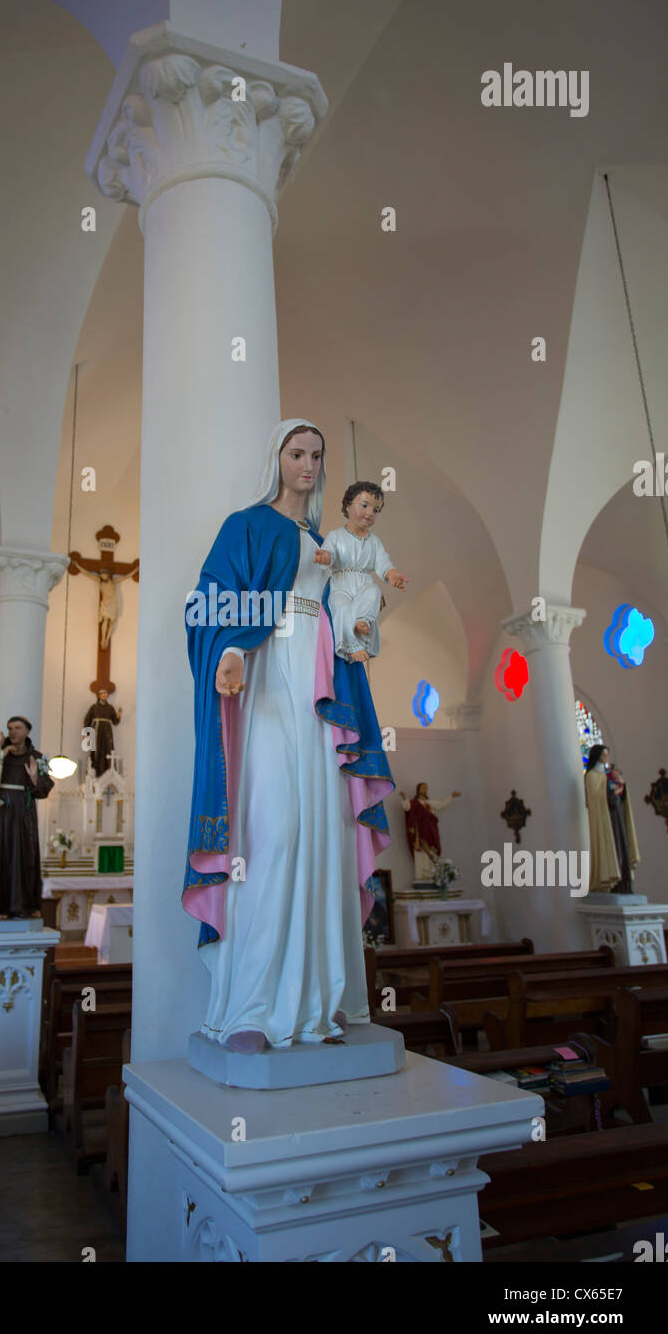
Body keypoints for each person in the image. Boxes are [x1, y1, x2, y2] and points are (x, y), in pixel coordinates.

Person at [183, 419, 395, 1054]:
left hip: (324, 693)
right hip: (271, 677)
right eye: (296, 453)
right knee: (271, 831)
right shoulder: (246, 524)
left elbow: (347, 602)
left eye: (316, 455)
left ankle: (320, 1004)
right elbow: (208, 602)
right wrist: (230, 652)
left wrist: (362, 623)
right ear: (276, 459)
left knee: (323, 835)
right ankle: (252, 1006)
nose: (307, 464)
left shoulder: (329, 538)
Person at [315, 482, 408, 661]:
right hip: (341, 584)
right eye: (364, 506)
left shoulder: (374, 542)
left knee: (374, 592)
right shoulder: (336, 535)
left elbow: (383, 562)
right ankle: (351, 645)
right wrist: (325, 557)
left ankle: (362, 621)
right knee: (341, 607)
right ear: (348, 505)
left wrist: (391, 574)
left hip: (364, 583)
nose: (369, 513)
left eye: (376, 510)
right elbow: (331, 553)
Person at [0, 716, 54, 919]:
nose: (13, 732)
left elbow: (46, 788)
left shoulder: (39, 757)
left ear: (28, 731)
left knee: (26, 856)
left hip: (24, 813)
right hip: (1, 812)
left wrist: (35, 779)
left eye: (17, 728)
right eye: (10, 728)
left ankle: (28, 905)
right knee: (0, 854)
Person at [585, 744, 640, 892]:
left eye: (606, 755)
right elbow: (596, 798)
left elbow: (617, 795)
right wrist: (611, 788)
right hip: (605, 820)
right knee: (613, 845)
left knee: (622, 847)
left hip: (616, 816)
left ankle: (624, 884)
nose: (605, 758)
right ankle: (608, 881)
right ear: (597, 756)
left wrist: (621, 787)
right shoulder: (592, 776)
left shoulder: (605, 775)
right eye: (603, 755)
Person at [399, 783, 461, 881]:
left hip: (430, 832)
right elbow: (407, 807)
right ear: (418, 789)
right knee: (420, 854)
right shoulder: (414, 803)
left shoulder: (430, 803)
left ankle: (432, 875)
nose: (425, 790)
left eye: (426, 788)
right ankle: (420, 876)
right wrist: (404, 798)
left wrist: (451, 796)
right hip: (419, 834)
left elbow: (441, 804)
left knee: (432, 853)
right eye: (423, 788)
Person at [84, 690, 122, 777]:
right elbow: (87, 719)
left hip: (107, 732)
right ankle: (95, 771)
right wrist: (86, 732)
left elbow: (115, 722)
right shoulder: (94, 707)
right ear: (99, 695)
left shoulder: (110, 708)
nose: (104, 696)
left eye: (106, 694)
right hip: (97, 730)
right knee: (96, 749)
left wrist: (118, 716)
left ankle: (108, 771)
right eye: (103, 694)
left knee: (108, 750)